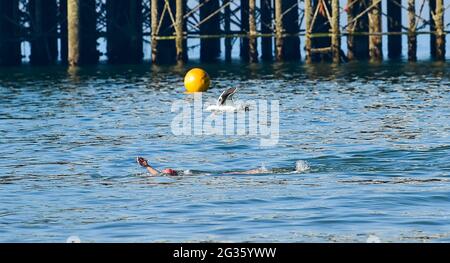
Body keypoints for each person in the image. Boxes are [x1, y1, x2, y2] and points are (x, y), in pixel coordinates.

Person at [136, 156, 270, 176]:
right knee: (232, 174)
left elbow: (158, 175)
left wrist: (147, 166)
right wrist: (147, 166)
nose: (166, 170)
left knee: (231, 174)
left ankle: (254, 171)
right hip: (209, 176)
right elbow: (158, 174)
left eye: (167, 170)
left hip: (209, 176)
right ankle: (254, 171)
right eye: (167, 170)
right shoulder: (184, 175)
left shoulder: (186, 174)